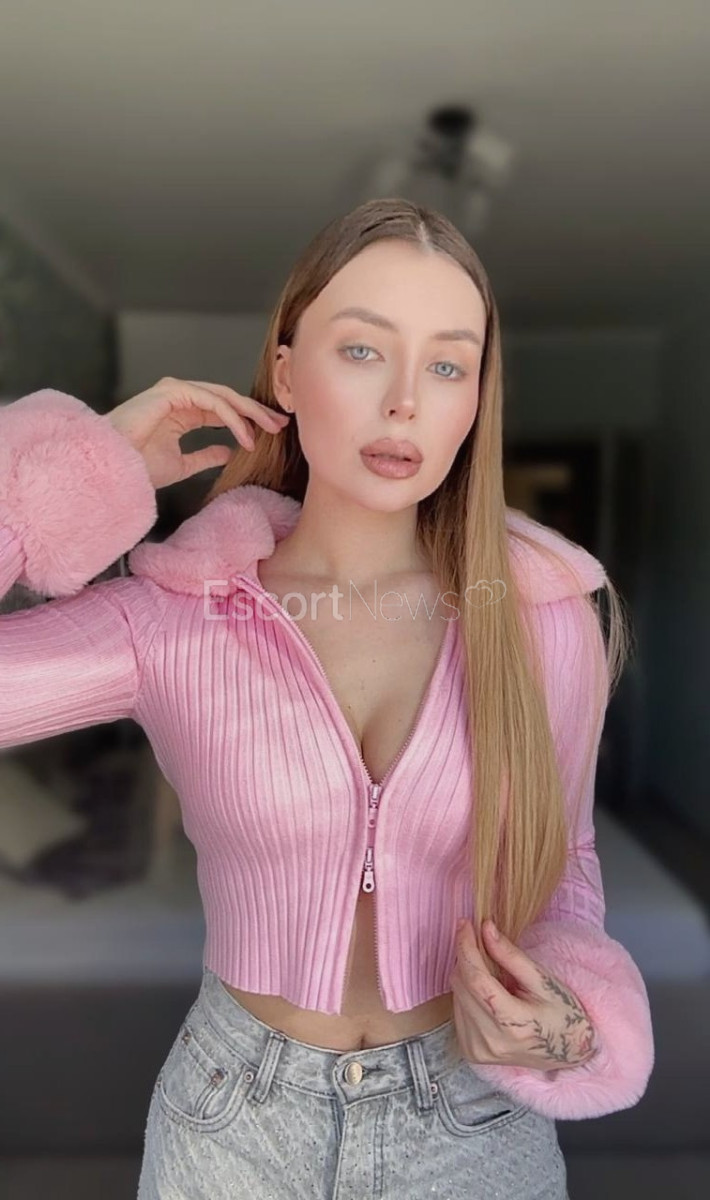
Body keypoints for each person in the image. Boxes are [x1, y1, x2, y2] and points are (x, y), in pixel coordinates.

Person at [0, 197, 654, 1198]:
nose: (405, 402)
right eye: (362, 351)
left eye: (447, 366)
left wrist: (563, 1021)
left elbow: (560, 861)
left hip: (474, 1124)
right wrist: (81, 471)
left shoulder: (543, 616)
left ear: (475, 400)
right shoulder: (171, 619)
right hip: (232, 1129)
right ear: (285, 372)